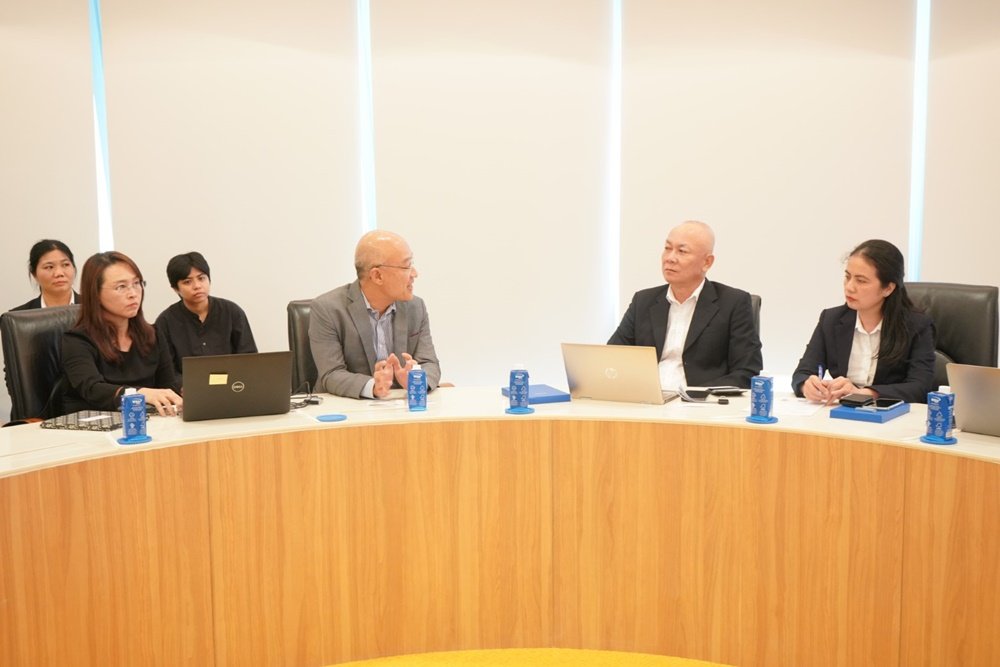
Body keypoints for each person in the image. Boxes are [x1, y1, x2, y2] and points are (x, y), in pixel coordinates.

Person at [608, 220, 763, 389]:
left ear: (707, 262)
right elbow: (612, 357)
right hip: (646, 397)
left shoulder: (733, 303)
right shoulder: (643, 300)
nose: (670, 258)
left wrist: (697, 394)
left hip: (699, 401)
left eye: (682, 251)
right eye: (667, 248)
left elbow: (747, 371)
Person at [792, 239, 936, 404]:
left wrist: (864, 393)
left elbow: (920, 387)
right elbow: (802, 373)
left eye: (861, 281)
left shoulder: (917, 326)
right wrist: (807, 385)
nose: (849, 287)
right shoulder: (831, 320)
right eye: (848, 277)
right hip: (841, 412)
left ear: (888, 288)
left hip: (890, 414)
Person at [309, 230, 441, 398]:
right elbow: (331, 373)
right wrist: (373, 386)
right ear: (377, 276)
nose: (414, 273)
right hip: (346, 406)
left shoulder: (415, 307)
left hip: (398, 406)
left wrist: (416, 380)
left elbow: (429, 363)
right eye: (406, 266)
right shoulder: (327, 309)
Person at [61, 251, 182, 416]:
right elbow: (92, 390)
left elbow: (168, 387)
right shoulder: (76, 341)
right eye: (121, 287)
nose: (133, 293)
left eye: (136, 283)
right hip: (95, 423)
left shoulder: (153, 335)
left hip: (149, 422)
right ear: (95, 293)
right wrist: (139, 394)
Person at [154, 251, 257, 375]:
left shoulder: (232, 312)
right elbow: (166, 371)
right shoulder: (165, 322)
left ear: (209, 280)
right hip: (187, 387)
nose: (197, 286)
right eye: (187, 282)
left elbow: (249, 359)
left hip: (232, 384)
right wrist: (187, 384)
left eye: (201, 278)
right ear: (176, 289)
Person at [10, 239, 80, 311]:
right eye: (49, 267)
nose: (59, 273)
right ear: (34, 274)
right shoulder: (18, 315)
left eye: (65, 264)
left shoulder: (88, 307)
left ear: (74, 268)